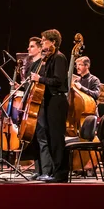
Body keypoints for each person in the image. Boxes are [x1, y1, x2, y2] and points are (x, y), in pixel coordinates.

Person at [30, 29, 69, 183]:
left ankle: (61, 174)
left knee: (57, 138)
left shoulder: (59, 58)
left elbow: (58, 81)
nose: (42, 42)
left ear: (53, 42)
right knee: (51, 138)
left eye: (44, 40)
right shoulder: (50, 58)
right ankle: (54, 171)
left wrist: (40, 79)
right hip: (49, 101)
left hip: (57, 101)